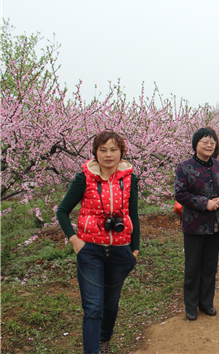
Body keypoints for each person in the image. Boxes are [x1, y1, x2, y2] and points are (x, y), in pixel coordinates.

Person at [56, 130, 139, 354]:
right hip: (90, 250)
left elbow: (133, 214)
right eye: (103, 150)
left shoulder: (131, 179)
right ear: (95, 153)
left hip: (120, 250)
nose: (108, 154)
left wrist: (136, 249)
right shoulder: (84, 177)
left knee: (110, 304)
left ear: (121, 153)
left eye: (113, 149)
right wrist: (75, 241)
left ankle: (104, 341)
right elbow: (63, 211)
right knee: (93, 307)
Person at [175, 128, 219, 321]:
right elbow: (181, 194)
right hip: (194, 225)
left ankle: (206, 303)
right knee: (192, 267)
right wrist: (204, 203)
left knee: (210, 265)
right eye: (205, 142)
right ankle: (191, 306)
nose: (209, 145)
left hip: (215, 224)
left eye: (212, 142)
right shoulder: (184, 167)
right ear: (195, 144)